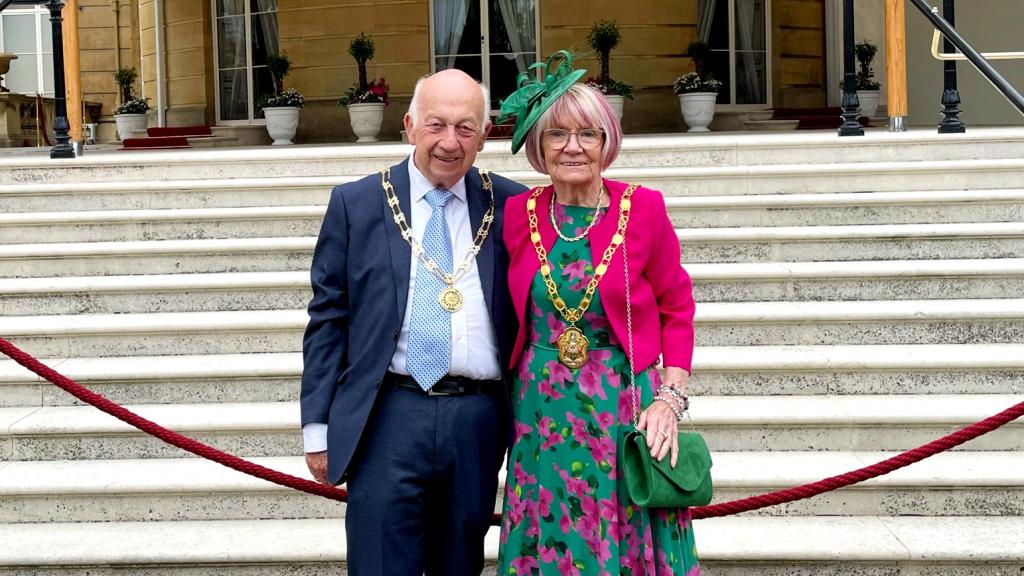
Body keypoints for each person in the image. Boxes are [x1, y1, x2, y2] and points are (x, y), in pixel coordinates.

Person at [300, 68, 525, 576]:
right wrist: (317, 426)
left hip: (478, 418)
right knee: (379, 560)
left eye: (466, 128)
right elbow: (327, 320)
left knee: (459, 562)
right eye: (436, 125)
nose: (450, 142)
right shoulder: (357, 204)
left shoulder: (513, 204)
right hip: (389, 413)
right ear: (409, 125)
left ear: (485, 135)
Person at [496, 51, 701, 575]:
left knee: (623, 528)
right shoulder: (519, 214)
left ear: (607, 142)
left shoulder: (644, 208)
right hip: (540, 407)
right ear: (538, 147)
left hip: (621, 400)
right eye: (557, 134)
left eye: (587, 134)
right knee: (549, 529)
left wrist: (670, 401)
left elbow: (677, 307)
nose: (572, 147)